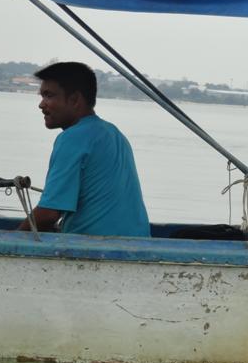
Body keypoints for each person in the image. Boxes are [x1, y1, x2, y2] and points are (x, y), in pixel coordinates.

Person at [18, 62, 150, 237]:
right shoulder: (114, 133)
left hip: (96, 249)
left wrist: (11, 238)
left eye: (48, 96)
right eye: (42, 96)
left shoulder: (73, 138)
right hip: (139, 243)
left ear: (74, 100)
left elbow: (49, 214)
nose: (41, 105)